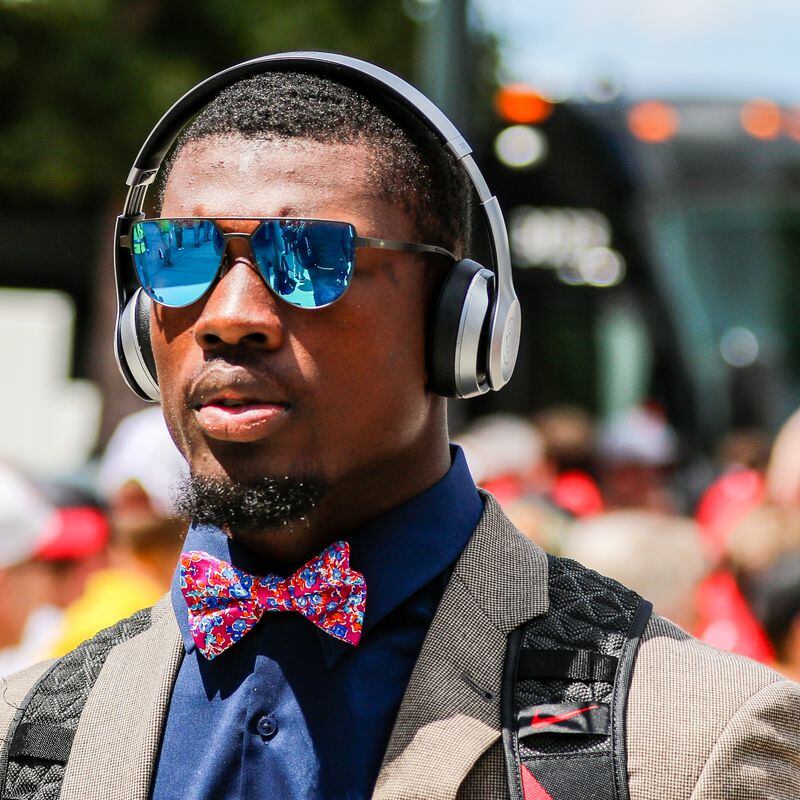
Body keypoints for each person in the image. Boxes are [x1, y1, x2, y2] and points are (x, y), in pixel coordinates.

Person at [1, 55, 799, 800]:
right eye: (179, 255)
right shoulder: (26, 736)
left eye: (309, 257)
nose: (231, 316)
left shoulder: (697, 741)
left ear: (459, 324)